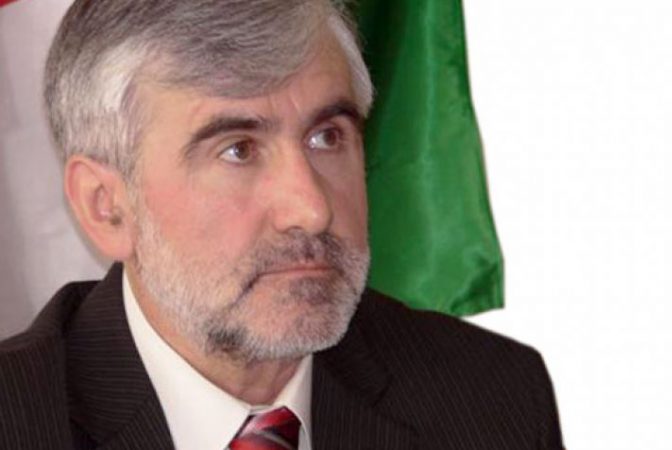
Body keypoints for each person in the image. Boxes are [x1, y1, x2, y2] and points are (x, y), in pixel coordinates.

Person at [0, 1, 563, 448]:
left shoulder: (493, 400)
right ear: (106, 206)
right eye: (238, 150)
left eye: (327, 137)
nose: (312, 209)